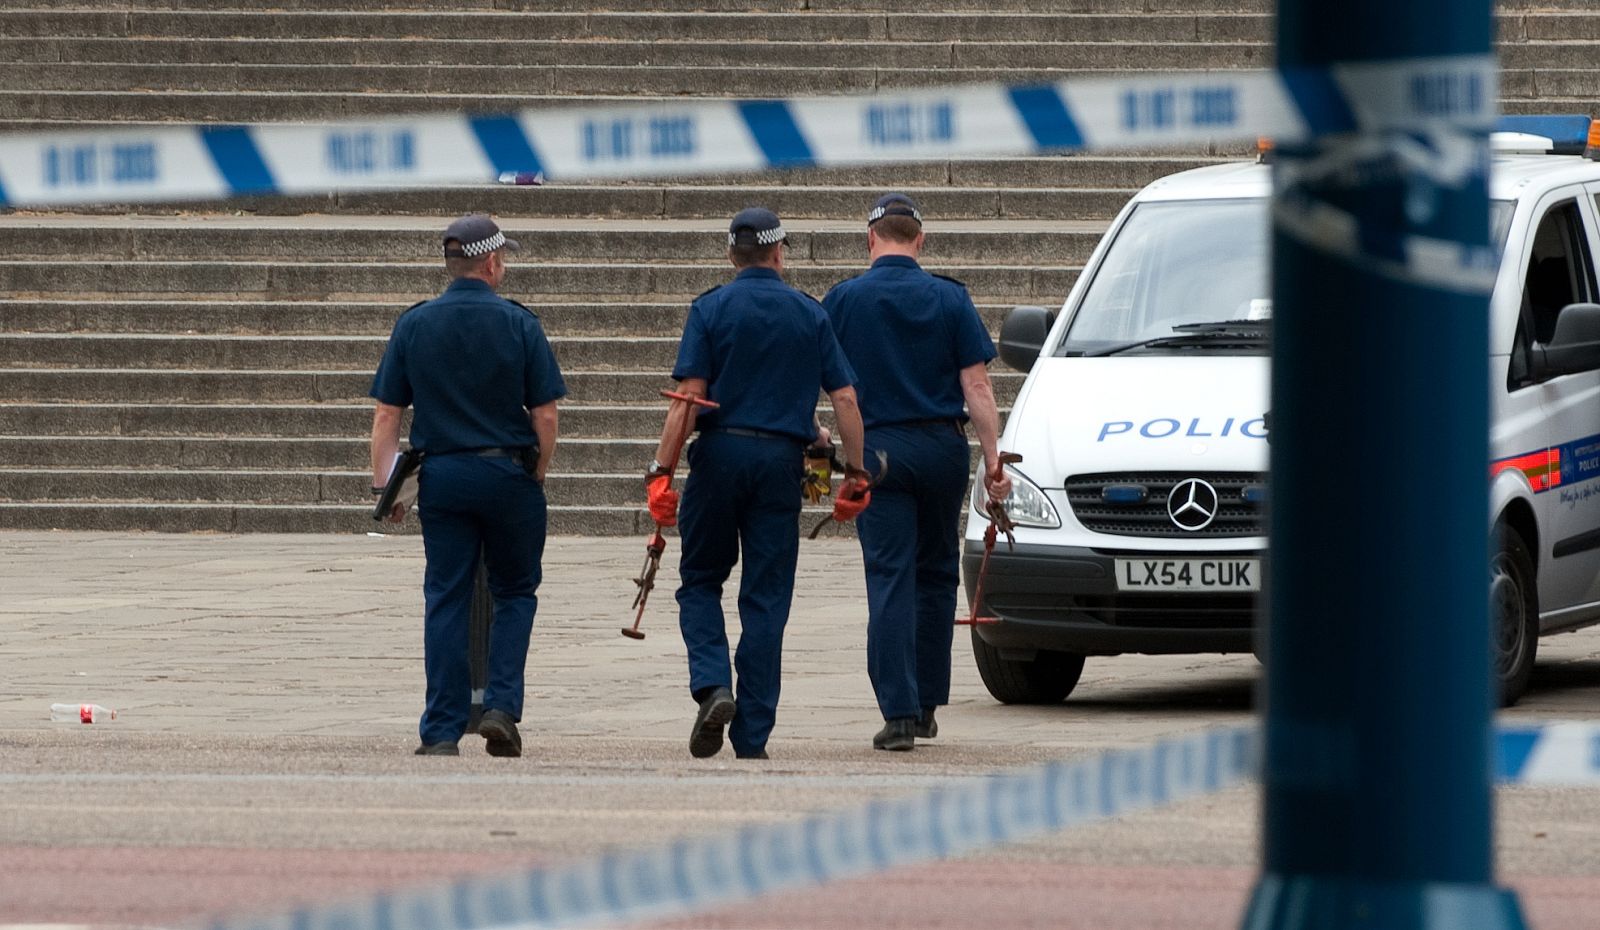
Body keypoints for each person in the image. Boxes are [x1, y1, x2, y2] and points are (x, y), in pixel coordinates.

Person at [648, 207, 868, 761]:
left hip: (719, 456)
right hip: (781, 463)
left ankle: (712, 685)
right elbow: (844, 398)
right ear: (778, 253)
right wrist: (856, 472)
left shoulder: (710, 308)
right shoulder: (810, 313)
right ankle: (752, 735)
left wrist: (661, 472)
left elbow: (688, 399)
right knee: (766, 598)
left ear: (731, 255)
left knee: (700, 580)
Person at [369, 214, 566, 758]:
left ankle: (440, 729)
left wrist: (388, 489)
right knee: (515, 591)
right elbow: (545, 415)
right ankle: (501, 708)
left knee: (446, 596)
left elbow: (387, 415)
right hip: (508, 474)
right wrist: (538, 470)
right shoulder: (520, 323)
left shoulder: (415, 323)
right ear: (492, 262)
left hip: (444, 477)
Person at [821, 193, 1013, 751]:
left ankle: (899, 714)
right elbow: (977, 387)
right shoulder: (951, 297)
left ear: (870, 238)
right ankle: (927, 703)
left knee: (889, 576)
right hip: (941, 449)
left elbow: (827, 385)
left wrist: (827, 452)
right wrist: (993, 460)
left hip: (878, 450)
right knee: (936, 574)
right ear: (920, 240)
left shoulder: (844, 299)